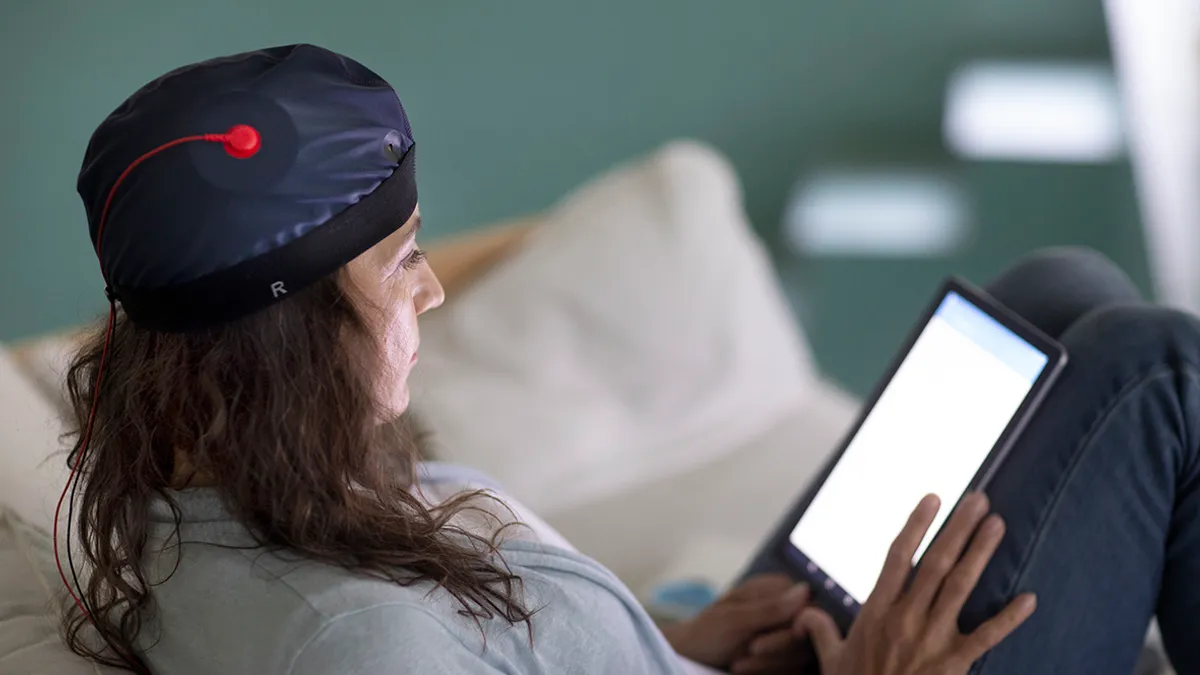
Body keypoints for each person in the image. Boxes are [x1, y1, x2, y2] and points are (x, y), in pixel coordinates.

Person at [59, 43, 1197, 675]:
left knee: (1063, 292)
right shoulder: (361, 649)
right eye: (402, 262)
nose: (435, 286)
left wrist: (667, 641)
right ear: (293, 335)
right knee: (1156, 375)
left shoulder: (221, 492)